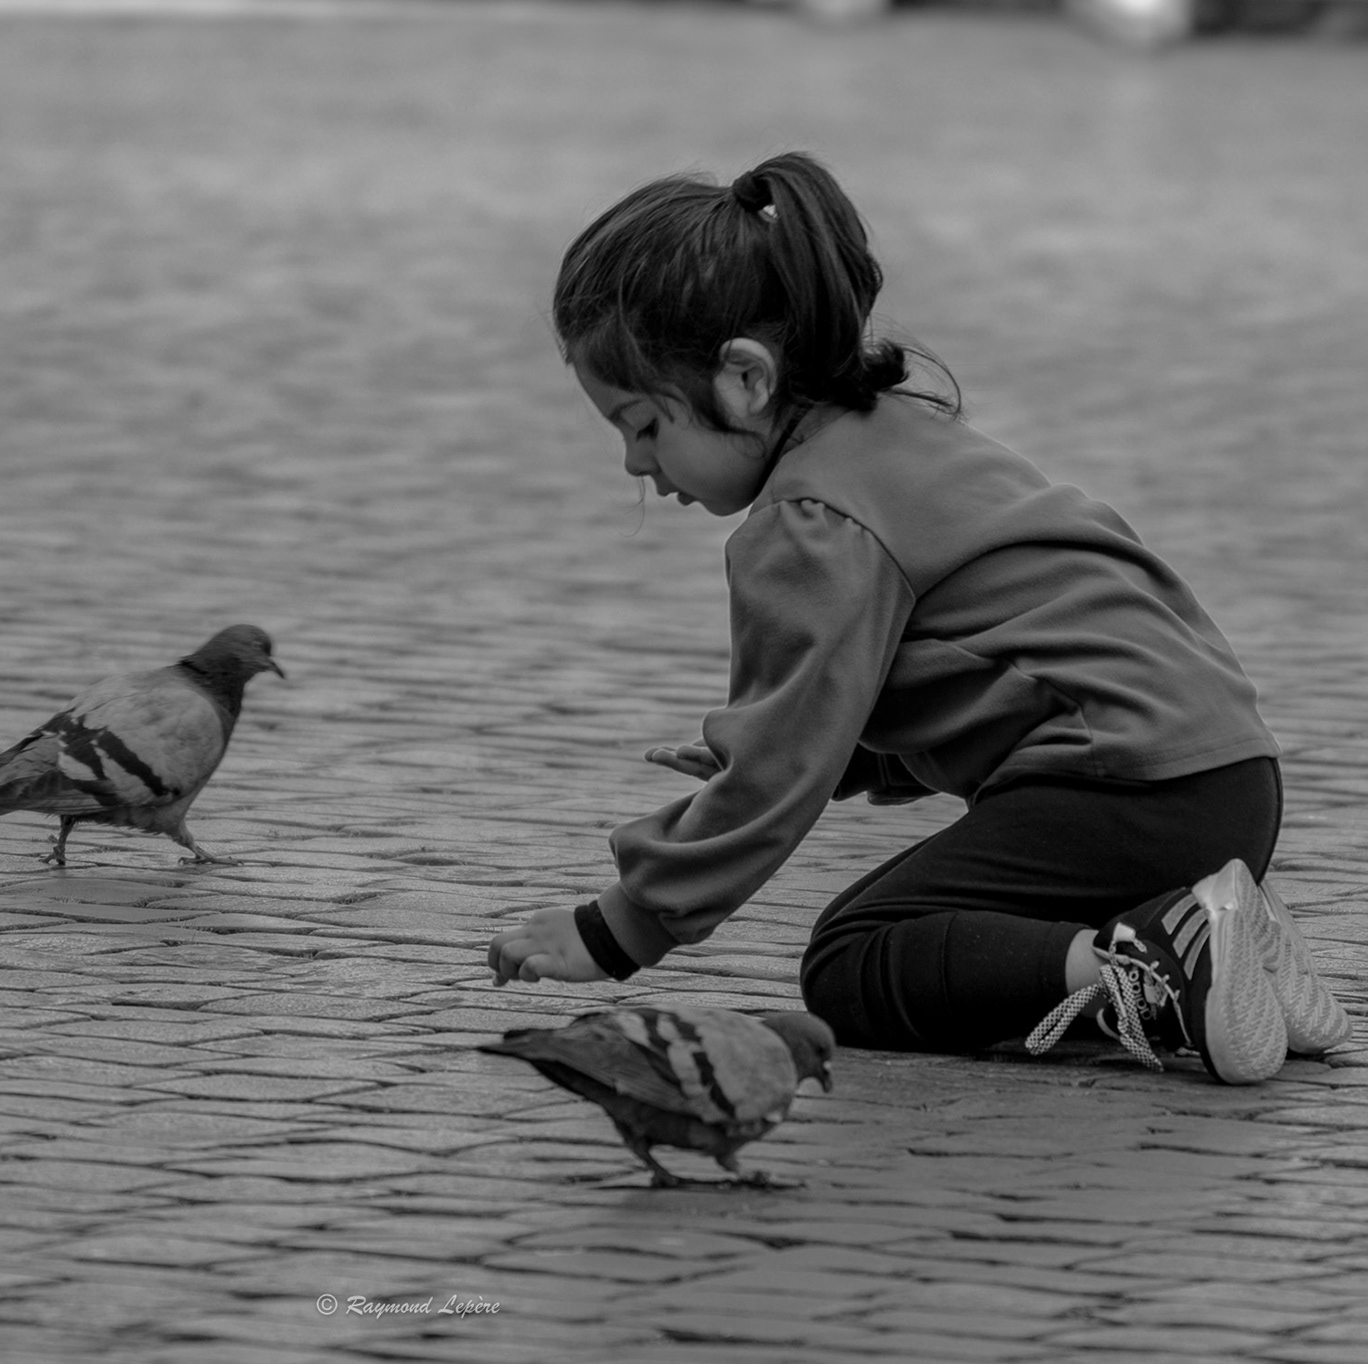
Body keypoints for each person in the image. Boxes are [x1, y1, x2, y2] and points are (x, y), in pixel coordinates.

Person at [485, 152, 1349, 1084]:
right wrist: (844, 754)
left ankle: (1155, 965)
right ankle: (1219, 944)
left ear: (744, 378)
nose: (634, 466)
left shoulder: (808, 520)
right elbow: (991, 662)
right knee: (933, 928)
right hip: (1221, 780)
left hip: (1130, 789)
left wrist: (616, 931)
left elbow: (776, 771)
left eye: (645, 425)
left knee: (857, 958)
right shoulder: (898, 436)